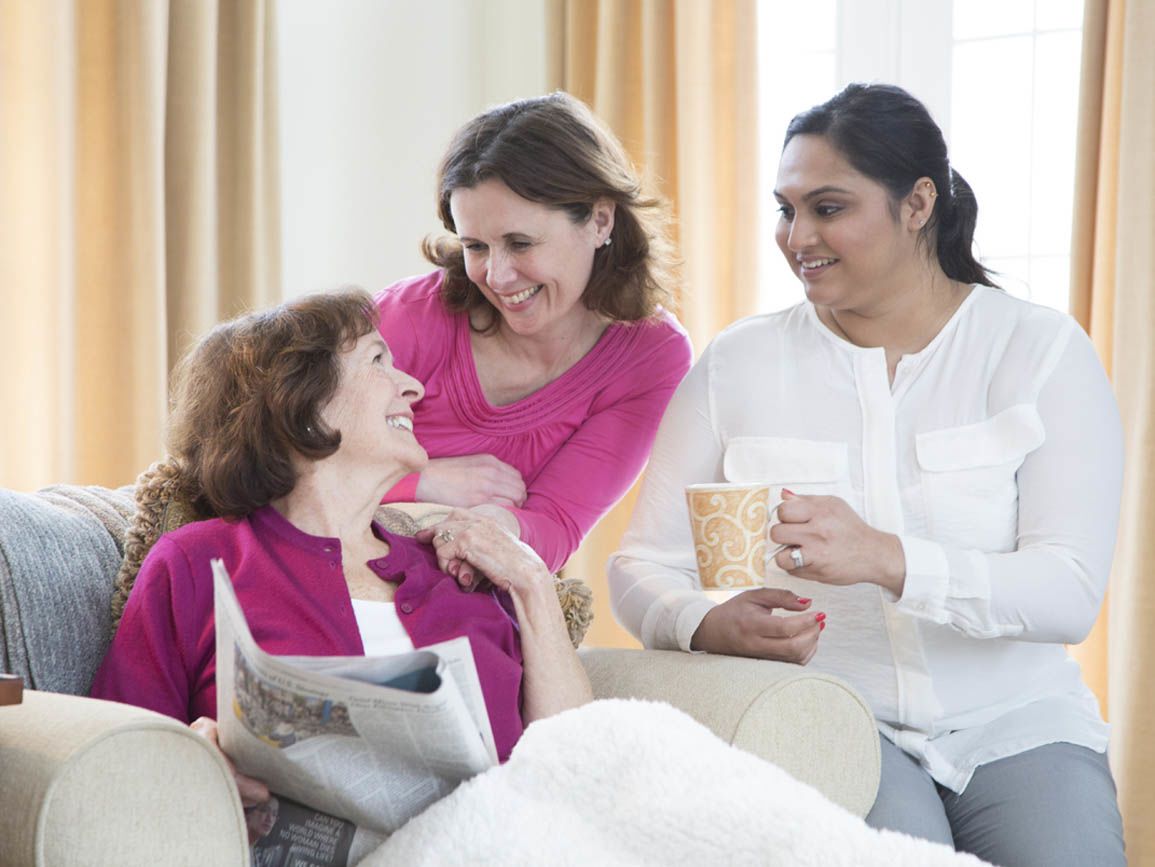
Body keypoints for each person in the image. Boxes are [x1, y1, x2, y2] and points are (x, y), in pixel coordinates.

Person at [607, 83, 1125, 866]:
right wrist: (703, 623)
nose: (796, 237)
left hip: (1016, 720)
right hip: (829, 713)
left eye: (827, 207)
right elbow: (642, 562)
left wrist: (888, 558)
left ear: (916, 203)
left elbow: (1067, 591)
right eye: (785, 210)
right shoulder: (739, 363)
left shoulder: (1038, 350)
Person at [91, 290, 592, 827]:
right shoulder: (198, 562)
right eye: (378, 360)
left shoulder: (459, 571)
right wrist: (194, 762)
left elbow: (578, 773)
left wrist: (532, 584)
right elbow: (112, 758)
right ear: (302, 406)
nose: (413, 387)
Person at [375, 92, 692, 572]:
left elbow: (556, 524)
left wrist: (492, 528)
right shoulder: (407, 319)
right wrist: (424, 483)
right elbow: (284, 466)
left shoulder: (650, 357)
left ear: (600, 220)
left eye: (520, 243)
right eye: (475, 246)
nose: (497, 276)